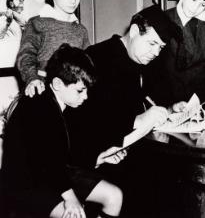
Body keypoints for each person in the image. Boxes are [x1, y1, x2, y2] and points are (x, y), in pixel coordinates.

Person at [1, 44, 127, 218]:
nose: (86, 97)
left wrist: (98, 159)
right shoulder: (37, 106)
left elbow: (63, 156)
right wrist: (71, 198)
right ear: (58, 84)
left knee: (114, 196)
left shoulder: (63, 102)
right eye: (80, 90)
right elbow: (46, 162)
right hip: (28, 185)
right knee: (76, 215)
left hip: (54, 175)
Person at [68, 5, 184, 169]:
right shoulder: (97, 58)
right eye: (152, 43)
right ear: (135, 31)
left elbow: (151, 100)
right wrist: (136, 120)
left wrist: (171, 109)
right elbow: (85, 118)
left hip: (135, 148)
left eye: (161, 47)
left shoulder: (147, 62)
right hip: (96, 158)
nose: (156, 52)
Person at [16, 0, 90, 98]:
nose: (73, 0)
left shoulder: (81, 30)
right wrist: (33, 78)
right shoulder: (38, 23)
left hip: (72, 99)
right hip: (42, 93)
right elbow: (25, 56)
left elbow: (87, 67)